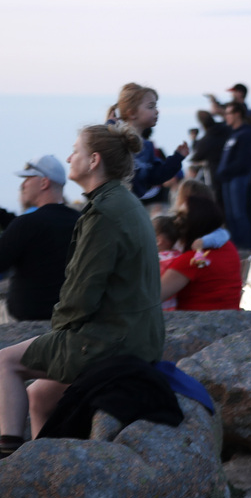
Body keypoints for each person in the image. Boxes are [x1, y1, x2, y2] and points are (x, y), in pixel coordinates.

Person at [0, 124, 165, 457]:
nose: (69, 157)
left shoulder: (103, 214)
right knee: (40, 396)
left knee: (4, 362)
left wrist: (59, 333)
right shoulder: (126, 202)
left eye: (75, 150)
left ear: (93, 160)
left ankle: (8, 459)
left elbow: (81, 294)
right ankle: (48, 461)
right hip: (140, 337)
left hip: (109, 341)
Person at [0, 156, 79, 323]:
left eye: (28, 178)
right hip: (70, 320)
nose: (22, 185)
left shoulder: (27, 223)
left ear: (44, 183)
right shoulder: (81, 221)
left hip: (26, 325)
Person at [159, 195, 241, 311]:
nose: (175, 222)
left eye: (181, 217)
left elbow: (152, 298)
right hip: (230, 320)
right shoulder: (228, 246)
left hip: (196, 324)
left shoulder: (191, 261)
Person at [116, 83, 189, 206]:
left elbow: (155, 176)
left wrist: (177, 158)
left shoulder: (147, 146)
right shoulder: (117, 141)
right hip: (116, 204)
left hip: (134, 204)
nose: (157, 111)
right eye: (150, 107)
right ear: (132, 113)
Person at [217, 101, 251, 250]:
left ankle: (244, 245)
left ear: (237, 114)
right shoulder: (233, 134)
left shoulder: (245, 133)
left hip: (238, 178)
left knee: (239, 214)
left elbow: (243, 160)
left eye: (228, 113)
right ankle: (235, 246)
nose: (226, 117)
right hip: (228, 178)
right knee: (231, 214)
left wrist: (225, 171)